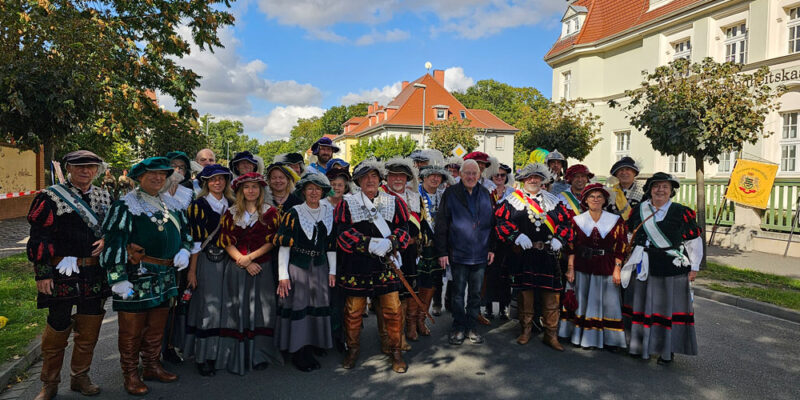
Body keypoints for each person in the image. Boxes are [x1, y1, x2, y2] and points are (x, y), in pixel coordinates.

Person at [100, 157, 192, 395]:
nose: (158, 178)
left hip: (166, 276)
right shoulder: (125, 205)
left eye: (162, 175)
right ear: (139, 177)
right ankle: (130, 373)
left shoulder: (171, 204)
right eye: (152, 174)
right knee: (131, 330)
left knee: (156, 328)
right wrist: (118, 278)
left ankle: (151, 365)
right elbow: (114, 242)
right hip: (136, 277)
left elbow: (187, 233)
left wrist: (184, 249)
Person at [27, 151, 112, 400]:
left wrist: (108, 239)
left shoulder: (105, 195)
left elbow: (115, 226)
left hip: (94, 271)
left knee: (89, 326)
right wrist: (42, 274)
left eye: (90, 167)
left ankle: (80, 377)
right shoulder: (50, 196)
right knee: (58, 324)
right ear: (69, 168)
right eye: (79, 167)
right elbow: (39, 236)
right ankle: (49, 383)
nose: (85, 171)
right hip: (62, 271)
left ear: (96, 170)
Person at [334, 158, 411, 373]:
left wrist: (392, 242)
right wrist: (368, 244)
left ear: (380, 179)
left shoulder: (393, 202)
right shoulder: (347, 203)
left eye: (374, 176)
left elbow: (404, 230)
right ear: (358, 181)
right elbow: (342, 234)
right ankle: (353, 349)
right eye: (365, 176)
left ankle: (396, 351)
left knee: (393, 310)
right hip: (357, 266)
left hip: (385, 265)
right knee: (353, 311)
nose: (370, 180)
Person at [622, 172, 702, 365]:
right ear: (650, 189)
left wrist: (694, 266)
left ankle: (667, 350)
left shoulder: (682, 212)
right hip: (644, 266)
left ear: (671, 190)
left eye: (665, 186)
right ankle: (640, 347)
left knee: (668, 310)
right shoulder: (638, 210)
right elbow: (628, 235)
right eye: (656, 186)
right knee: (641, 306)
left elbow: (693, 241)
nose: (660, 190)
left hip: (671, 268)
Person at [494, 163, 573, 351]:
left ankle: (550, 334)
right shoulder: (512, 200)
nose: (533, 180)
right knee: (525, 295)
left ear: (542, 180)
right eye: (529, 177)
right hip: (524, 256)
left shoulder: (554, 201)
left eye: (537, 177)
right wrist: (516, 235)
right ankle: (526, 330)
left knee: (551, 296)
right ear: (523, 180)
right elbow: (500, 223)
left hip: (548, 255)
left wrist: (559, 239)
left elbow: (567, 224)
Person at [217, 172, 283, 374]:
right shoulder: (231, 212)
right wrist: (243, 261)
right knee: (236, 309)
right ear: (240, 191)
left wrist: (251, 258)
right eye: (247, 187)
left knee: (261, 311)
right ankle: (236, 354)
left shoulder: (270, 212)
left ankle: (260, 354)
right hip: (237, 268)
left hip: (261, 267)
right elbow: (226, 240)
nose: (251, 190)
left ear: (261, 190)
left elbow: (272, 241)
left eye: (255, 187)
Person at [274, 173, 336, 371]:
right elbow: (284, 247)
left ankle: (313, 344)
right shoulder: (294, 212)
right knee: (300, 307)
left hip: (319, 266)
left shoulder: (328, 211)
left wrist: (332, 271)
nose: (314, 192)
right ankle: (299, 352)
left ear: (323, 192)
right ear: (303, 191)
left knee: (318, 305)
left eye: (318, 189)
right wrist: (283, 275)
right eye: (310, 188)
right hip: (298, 267)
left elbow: (331, 246)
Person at [558, 183, 628, 350]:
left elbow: (621, 246)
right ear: (586, 200)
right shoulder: (577, 221)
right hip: (582, 266)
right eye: (592, 197)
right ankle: (579, 335)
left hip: (606, 266)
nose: (595, 200)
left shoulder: (615, 221)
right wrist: (570, 268)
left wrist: (617, 269)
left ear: (604, 200)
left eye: (599, 197)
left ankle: (610, 340)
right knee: (581, 301)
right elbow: (571, 247)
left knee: (609, 303)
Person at [435, 160, 496, 345]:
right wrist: (442, 252)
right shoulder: (450, 193)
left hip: (480, 253)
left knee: (476, 294)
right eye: (467, 173)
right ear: (460, 175)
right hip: (458, 253)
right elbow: (442, 224)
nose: (470, 177)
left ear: (479, 176)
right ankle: (458, 326)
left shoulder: (485, 194)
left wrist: (492, 248)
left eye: (474, 173)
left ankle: (471, 326)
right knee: (458, 293)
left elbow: (493, 224)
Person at [183, 164, 235, 377]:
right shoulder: (197, 206)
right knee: (208, 308)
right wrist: (192, 271)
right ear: (205, 182)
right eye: (213, 179)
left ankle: (222, 352)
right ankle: (204, 356)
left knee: (227, 306)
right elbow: (196, 242)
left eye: (221, 179)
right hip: (206, 259)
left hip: (230, 260)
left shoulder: (233, 204)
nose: (218, 182)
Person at [381, 158, 421, 347]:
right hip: (389, 253)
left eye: (401, 176)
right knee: (390, 297)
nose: (398, 179)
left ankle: (406, 329)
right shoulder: (380, 196)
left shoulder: (414, 196)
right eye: (393, 175)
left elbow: (422, 223)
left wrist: (421, 240)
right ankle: (390, 337)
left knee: (408, 293)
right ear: (387, 178)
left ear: (407, 178)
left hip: (410, 251)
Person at [161, 151, 195, 364]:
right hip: (155, 257)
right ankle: (150, 352)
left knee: (177, 303)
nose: (177, 170)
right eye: (172, 166)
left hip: (182, 256)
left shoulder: (190, 194)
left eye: (181, 167)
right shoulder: (155, 191)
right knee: (157, 304)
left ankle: (171, 346)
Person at [416, 165, 452, 323]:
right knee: (418, 284)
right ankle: (412, 320)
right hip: (419, 248)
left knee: (433, 283)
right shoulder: (414, 194)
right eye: (431, 175)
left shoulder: (443, 195)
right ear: (423, 177)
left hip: (438, 247)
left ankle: (422, 318)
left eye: (438, 176)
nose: (435, 179)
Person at [324, 168, 353, 352]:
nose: (336, 188)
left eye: (340, 185)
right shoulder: (322, 204)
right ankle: (328, 335)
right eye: (333, 185)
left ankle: (344, 335)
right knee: (329, 298)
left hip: (347, 255)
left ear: (345, 187)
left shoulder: (350, 203)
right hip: (326, 255)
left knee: (344, 299)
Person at [483, 163, 514, 320]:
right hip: (489, 238)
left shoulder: (513, 194)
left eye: (502, 175)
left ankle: (504, 307)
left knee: (505, 275)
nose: (499, 178)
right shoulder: (486, 192)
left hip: (506, 240)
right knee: (489, 274)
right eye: (497, 175)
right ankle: (488, 307)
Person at [606, 156, 644, 221]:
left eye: (627, 169)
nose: (624, 172)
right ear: (616, 174)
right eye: (621, 170)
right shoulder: (610, 192)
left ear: (634, 173)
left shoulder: (643, 190)